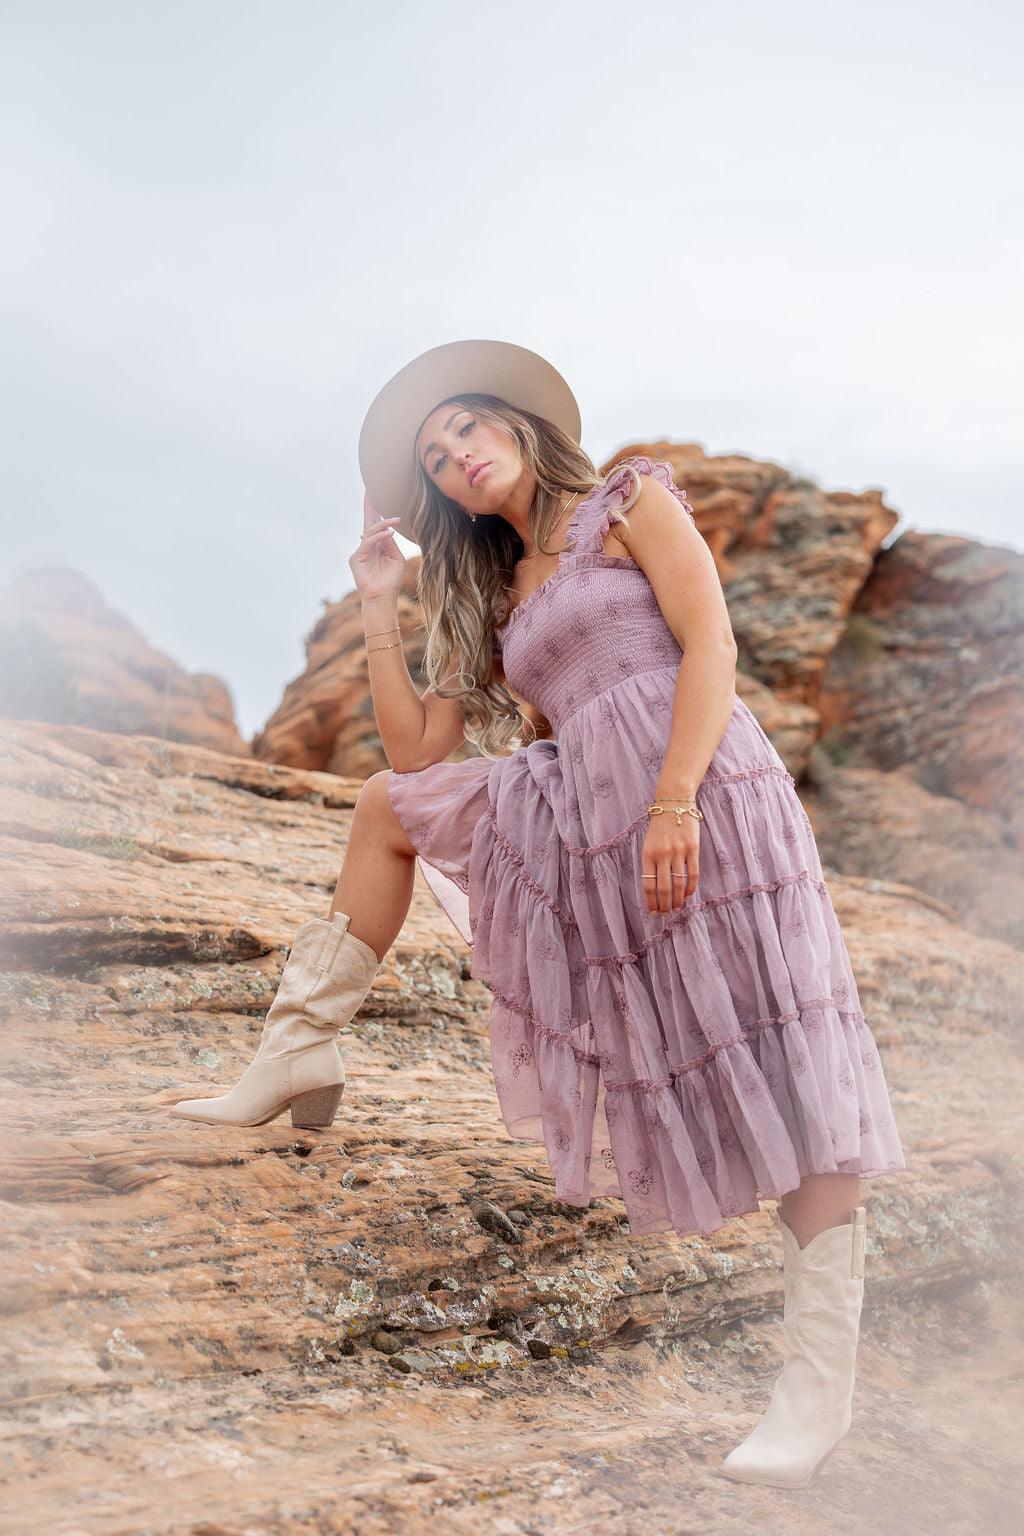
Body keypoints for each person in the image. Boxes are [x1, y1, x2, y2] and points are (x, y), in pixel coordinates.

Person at [170, 338, 909, 1488]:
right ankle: (298, 1049)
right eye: (434, 456)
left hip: (707, 793)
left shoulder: (629, 499)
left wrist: (675, 798)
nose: (456, 454)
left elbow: (710, 642)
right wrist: (381, 603)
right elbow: (417, 752)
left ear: (515, 424)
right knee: (385, 806)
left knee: (790, 1061)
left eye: (465, 426)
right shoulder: (491, 592)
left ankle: (815, 1393)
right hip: (589, 815)